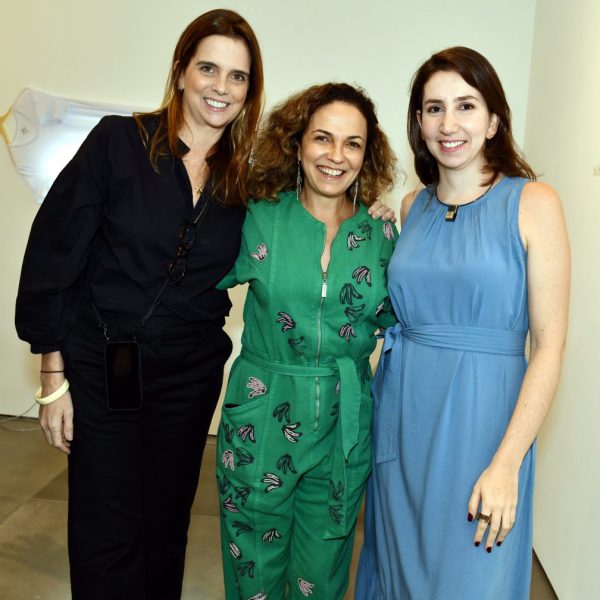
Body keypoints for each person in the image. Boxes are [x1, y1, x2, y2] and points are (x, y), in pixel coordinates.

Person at [15, 9, 264, 600]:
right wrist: (53, 379)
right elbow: (55, 254)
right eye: (208, 68)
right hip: (105, 368)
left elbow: (320, 201)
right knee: (106, 527)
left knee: (165, 526)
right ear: (180, 72)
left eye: (237, 76)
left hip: (188, 377)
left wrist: (381, 209)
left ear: (250, 90)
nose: (220, 88)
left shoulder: (246, 180)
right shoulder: (117, 142)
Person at [356, 46, 570, 599]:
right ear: (419, 121)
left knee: (471, 579)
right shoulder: (410, 208)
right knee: (400, 570)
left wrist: (506, 464)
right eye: (433, 109)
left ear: (494, 119)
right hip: (402, 421)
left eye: (466, 106)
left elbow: (548, 347)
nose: (449, 124)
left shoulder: (534, 202)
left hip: (484, 427)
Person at [215, 82, 398, 600]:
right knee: (254, 570)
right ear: (297, 144)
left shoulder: (381, 235)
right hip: (261, 420)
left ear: (368, 154)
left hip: (344, 427)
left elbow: (406, 318)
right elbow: (187, 284)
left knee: (321, 575)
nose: (336, 156)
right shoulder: (258, 217)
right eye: (322, 138)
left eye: (352, 143)